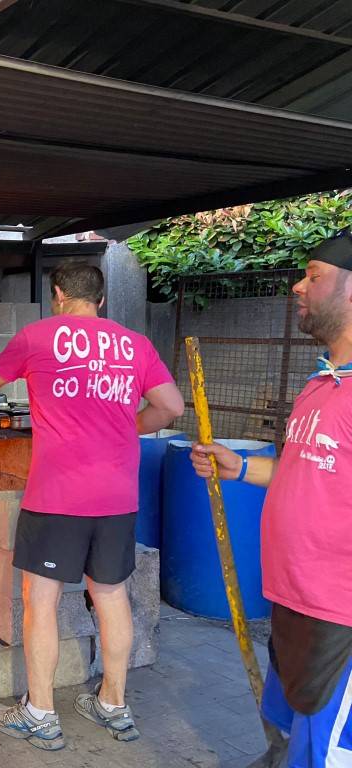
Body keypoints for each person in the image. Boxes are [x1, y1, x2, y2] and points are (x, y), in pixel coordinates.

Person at [0, 263, 184, 750]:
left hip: (57, 497)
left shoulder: (39, 336)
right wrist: (129, 427)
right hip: (116, 498)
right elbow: (171, 406)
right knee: (111, 596)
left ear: (59, 294)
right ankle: (114, 705)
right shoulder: (135, 344)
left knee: (40, 600)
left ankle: (41, 715)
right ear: (102, 300)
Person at [191, 233, 352, 768]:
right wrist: (238, 468)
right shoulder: (321, 381)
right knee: (287, 738)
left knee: (323, 752)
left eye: (314, 274)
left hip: (340, 617)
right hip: (292, 601)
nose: (297, 286)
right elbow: (304, 472)